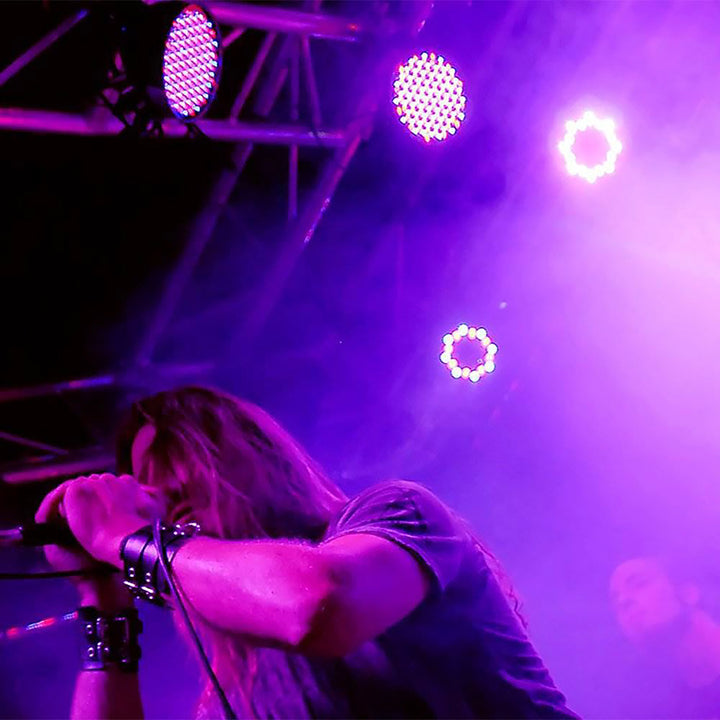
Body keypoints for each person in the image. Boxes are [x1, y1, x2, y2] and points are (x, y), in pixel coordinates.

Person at [36, 385, 578, 719]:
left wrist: (121, 538)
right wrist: (103, 603)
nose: (159, 491)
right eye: (143, 478)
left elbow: (318, 606)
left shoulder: (397, 513)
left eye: (173, 455)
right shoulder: (230, 690)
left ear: (252, 451)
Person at [610, 556, 720, 719]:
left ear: (687, 594)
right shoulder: (669, 708)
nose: (623, 601)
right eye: (615, 601)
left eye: (639, 584)